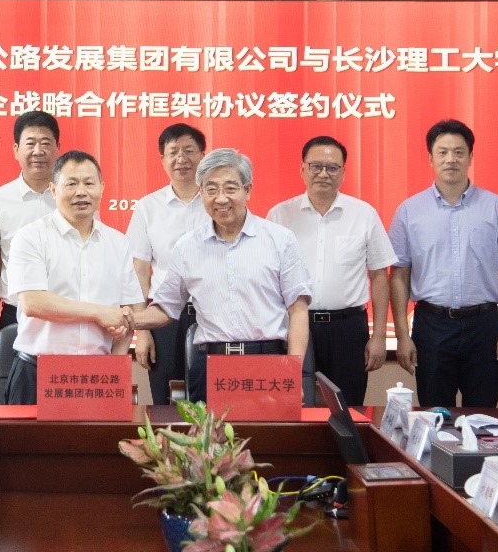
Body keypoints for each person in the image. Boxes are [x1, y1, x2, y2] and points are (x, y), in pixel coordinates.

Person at [133, 148, 311, 404]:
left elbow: (298, 310)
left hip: (268, 362)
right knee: (209, 432)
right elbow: (166, 308)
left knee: (269, 431)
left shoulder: (280, 240)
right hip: (210, 366)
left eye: (230, 188)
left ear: (247, 190)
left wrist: (293, 371)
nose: (221, 198)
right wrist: (129, 320)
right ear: (201, 192)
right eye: (211, 189)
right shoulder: (187, 247)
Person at [388, 119, 498, 407]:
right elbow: (399, 275)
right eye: (442, 152)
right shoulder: (409, 211)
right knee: (434, 413)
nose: (450, 159)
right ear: (430, 158)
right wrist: (403, 335)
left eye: (458, 152)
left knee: (483, 414)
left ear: (470, 157)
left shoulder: (495, 207)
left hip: (484, 325)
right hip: (432, 325)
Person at [4, 150, 142, 405]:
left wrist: (116, 366)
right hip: (37, 374)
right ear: (53, 190)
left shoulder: (118, 243)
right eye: (71, 184)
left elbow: (127, 314)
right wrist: (99, 313)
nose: (81, 192)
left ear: (102, 188)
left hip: (99, 377)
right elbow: (33, 302)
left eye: (89, 183)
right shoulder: (30, 237)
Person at [267, 135, 396, 407]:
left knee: (347, 408)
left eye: (332, 167)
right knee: (293, 405)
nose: (323, 174)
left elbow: (379, 277)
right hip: (295, 325)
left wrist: (379, 337)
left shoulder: (364, 214)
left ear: (343, 172)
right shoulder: (279, 216)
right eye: (316, 166)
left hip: (347, 329)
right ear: (302, 169)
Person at [126, 123, 209, 405]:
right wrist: (142, 331)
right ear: (162, 159)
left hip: (211, 316)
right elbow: (139, 272)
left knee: (211, 402)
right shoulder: (148, 207)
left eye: (189, 151)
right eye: (173, 152)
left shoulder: (218, 203)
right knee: (166, 402)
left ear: (203, 155)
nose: (181, 159)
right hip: (164, 319)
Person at [0, 111, 60, 341]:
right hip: (16, 313)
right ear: (16, 150)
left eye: (45, 143)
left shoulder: (74, 197)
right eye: (30, 143)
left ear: (57, 148)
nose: (38, 151)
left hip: (67, 312)